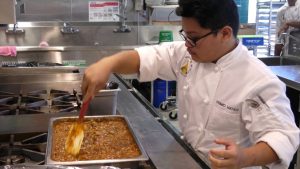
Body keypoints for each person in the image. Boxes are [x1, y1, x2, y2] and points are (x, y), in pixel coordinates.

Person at [82, 0, 300, 168]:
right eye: (184, 35)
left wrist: (244, 157)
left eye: (193, 38)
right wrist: (108, 64)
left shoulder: (257, 79)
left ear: (225, 33)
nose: (187, 45)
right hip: (189, 156)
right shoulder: (188, 54)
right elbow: (150, 57)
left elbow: (283, 136)